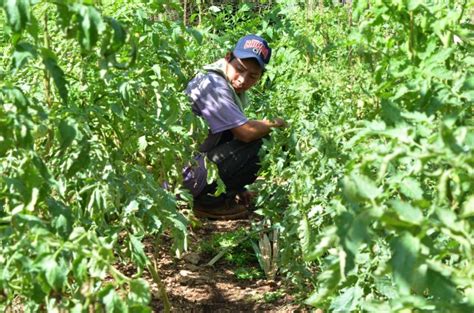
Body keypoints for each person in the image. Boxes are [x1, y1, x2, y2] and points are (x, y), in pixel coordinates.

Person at [183, 34, 286, 219]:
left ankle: (220, 195)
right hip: (183, 177)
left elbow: (228, 133)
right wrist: (277, 122)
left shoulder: (224, 82)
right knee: (261, 140)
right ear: (227, 57)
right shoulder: (213, 85)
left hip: (191, 167)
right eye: (239, 69)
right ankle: (205, 202)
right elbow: (245, 133)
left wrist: (237, 187)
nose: (242, 80)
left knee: (243, 132)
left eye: (253, 76)